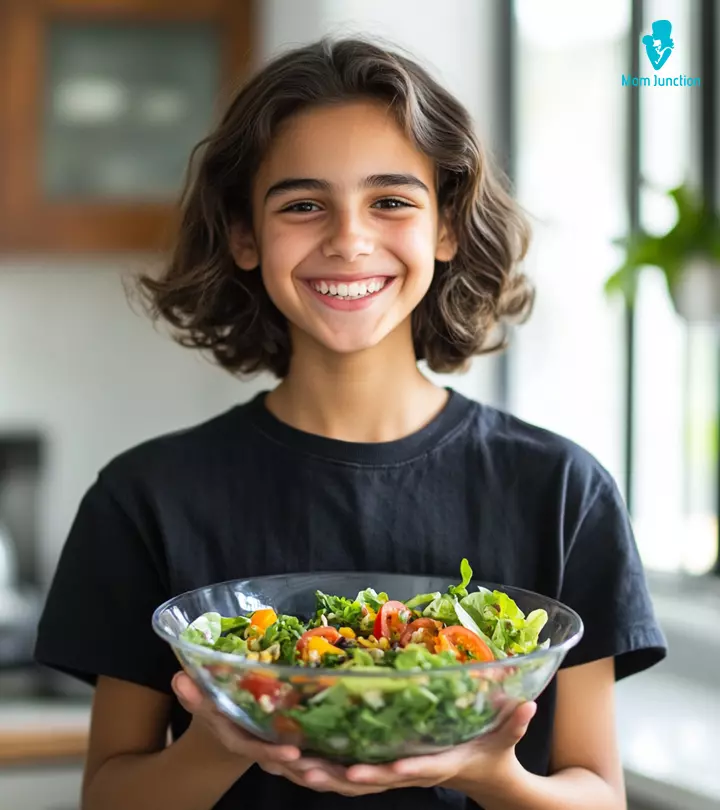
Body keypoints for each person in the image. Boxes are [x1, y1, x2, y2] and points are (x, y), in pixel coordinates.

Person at [35, 36, 666, 810]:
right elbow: (108, 799)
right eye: (303, 205)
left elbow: (600, 796)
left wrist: (485, 771)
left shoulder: (564, 493)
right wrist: (221, 739)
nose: (348, 239)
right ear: (243, 235)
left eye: (391, 201)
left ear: (447, 227)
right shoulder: (143, 499)